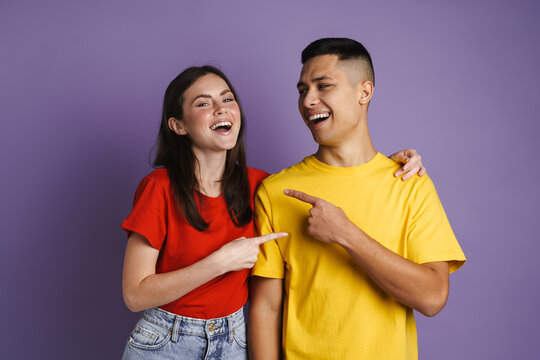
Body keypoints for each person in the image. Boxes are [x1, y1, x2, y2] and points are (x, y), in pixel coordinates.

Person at [120, 65, 425, 359]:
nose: (222, 108)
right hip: (167, 340)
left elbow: (328, 181)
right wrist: (220, 262)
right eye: (204, 103)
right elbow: (135, 294)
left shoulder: (261, 186)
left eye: (227, 99)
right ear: (178, 125)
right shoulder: (158, 188)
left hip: (234, 341)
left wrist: (385, 166)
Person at [248, 38, 466, 360]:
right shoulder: (277, 190)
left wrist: (345, 234)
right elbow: (266, 307)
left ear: (364, 92)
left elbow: (432, 297)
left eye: (323, 86)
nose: (308, 100)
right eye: (302, 90)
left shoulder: (409, 183)